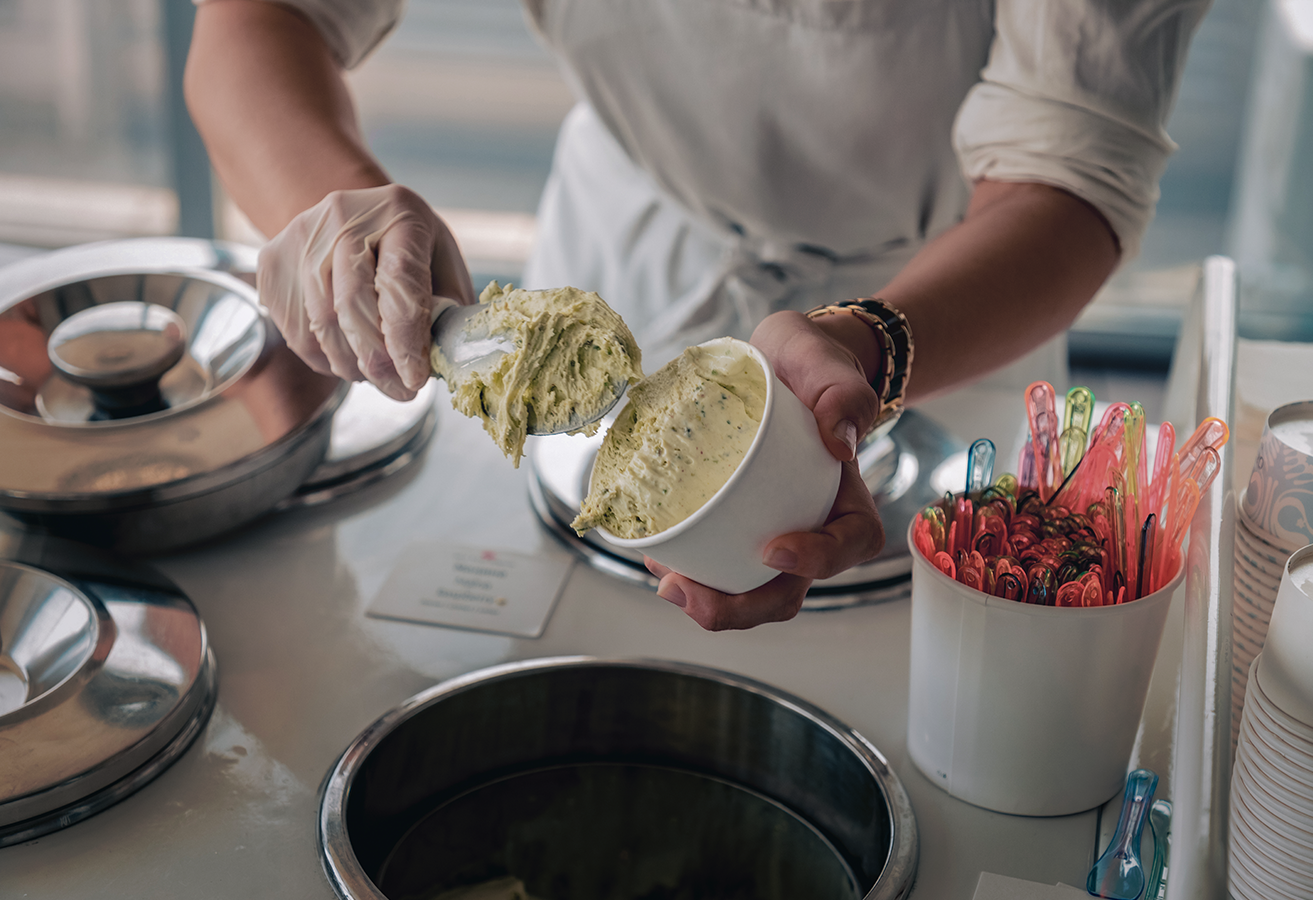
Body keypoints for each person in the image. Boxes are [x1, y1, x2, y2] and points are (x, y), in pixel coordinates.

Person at [185, 0, 1210, 631]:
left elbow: (1069, 175)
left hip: (950, 298)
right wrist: (345, 231)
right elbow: (257, 18)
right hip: (635, 241)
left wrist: (869, 343)